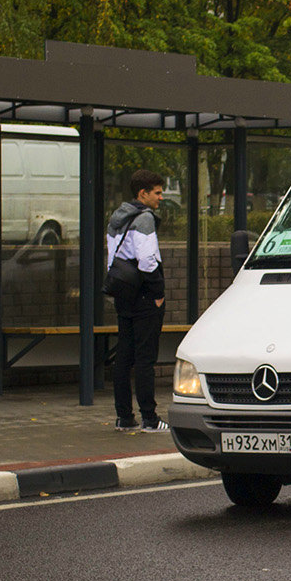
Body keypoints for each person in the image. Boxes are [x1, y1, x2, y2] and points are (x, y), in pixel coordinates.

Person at [107, 169, 168, 433]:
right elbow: (147, 261)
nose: (161, 197)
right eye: (157, 192)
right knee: (145, 359)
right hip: (144, 297)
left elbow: (111, 258)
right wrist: (158, 294)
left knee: (124, 357)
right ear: (142, 193)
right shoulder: (144, 219)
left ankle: (124, 417)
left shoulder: (117, 218)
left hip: (124, 293)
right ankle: (150, 419)